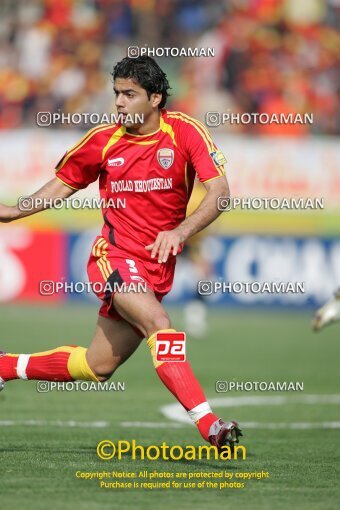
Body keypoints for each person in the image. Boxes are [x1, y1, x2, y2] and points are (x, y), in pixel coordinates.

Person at [0, 56, 242, 449]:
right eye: (117, 93)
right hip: (112, 257)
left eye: (129, 94)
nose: (119, 103)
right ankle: (209, 424)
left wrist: (179, 231)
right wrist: (14, 211)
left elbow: (220, 193)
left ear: (156, 98)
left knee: (97, 366)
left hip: (156, 268)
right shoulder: (103, 139)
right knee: (160, 324)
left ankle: (6, 366)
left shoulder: (185, 133)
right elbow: (62, 185)